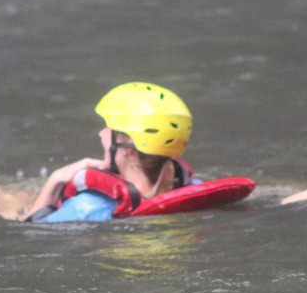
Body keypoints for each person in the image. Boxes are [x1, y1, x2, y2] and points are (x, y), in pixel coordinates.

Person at [22, 82, 253, 222]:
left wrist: (54, 182)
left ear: (128, 146)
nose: (101, 134)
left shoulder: (87, 208)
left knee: (4, 198)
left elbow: (29, 231)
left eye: (109, 128)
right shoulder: (195, 190)